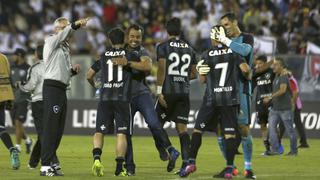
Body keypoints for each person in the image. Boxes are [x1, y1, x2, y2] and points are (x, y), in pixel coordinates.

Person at [181, 25, 251, 179]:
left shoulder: (206, 55)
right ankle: (229, 168)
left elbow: (202, 79)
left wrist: (204, 73)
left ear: (214, 37)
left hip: (211, 99)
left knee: (198, 130)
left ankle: (191, 162)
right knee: (230, 135)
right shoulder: (234, 52)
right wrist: (246, 76)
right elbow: (246, 70)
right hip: (229, 99)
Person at [123, 24, 179, 175]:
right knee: (126, 132)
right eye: (132, 36)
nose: (135, 39)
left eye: (138, 37)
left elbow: (147, 65)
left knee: (154, 123)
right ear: (127, 37)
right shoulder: (119, 51)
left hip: (142, 94)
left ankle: (171, 150)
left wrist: (127, 63)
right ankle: (130, 167)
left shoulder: (142, 51)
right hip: (125, 97)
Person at [40, 17, 89, 176]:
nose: (64, 30)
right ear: (55, 30)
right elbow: (63, 34)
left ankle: (52, 161)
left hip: (61, 89)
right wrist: (75, 25)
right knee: (51, 127)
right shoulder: (51, 41)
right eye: (62, 27)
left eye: (66, 27)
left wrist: (72, 72)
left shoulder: (64, 47)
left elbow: (62, 72)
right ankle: (45, 165)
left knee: (58, 130)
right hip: (52, 88)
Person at [212, 12, 256, 179]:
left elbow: (245, 52)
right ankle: (230, 167)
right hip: (223, 91)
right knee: (219, 130)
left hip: (241, 89)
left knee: (243, 128)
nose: (224, 29)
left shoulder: (247, 38)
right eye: (222, 26)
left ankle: (248, 168)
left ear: (235, 22)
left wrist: (224, 40)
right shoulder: (223, 42)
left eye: (226, 25)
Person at [89, 27, 134, 177]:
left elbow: (89, 75)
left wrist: (96, 86)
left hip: (105, 98)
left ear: (110, 40)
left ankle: (96, 158)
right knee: (121, 133)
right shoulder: (129, 54)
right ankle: (119, 167)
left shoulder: (103, 55)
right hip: (122, 99)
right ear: (125, 39)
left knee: (99, 131)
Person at [155, 17, 197, 175]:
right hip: (183, 93)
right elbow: (194, 73)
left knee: (155, 123)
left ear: (167, 30)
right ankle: (185, 164)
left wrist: (159, 91)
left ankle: (171, 150)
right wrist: (182, 78)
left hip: (168, 92)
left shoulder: (163, 47)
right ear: (180, 30)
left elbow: (161, 69)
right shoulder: (189, 48)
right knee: (183, 130)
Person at [18, 45, 60, 170]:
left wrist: (20, 85)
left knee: (44, 133)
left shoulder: (35, 67)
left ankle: (53, 160)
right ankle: (33, 162)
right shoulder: (55, 66)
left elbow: (30, 86)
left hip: (39, 102)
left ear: (37, 54)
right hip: (53, 101)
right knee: (46, 133)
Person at [263, 58, 298, 156]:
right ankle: (275, 150)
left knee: (290, 130)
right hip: (275, 109)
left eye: (276, 65)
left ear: (282, 66)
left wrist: (270, 97)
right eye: (273, 64)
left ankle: (294, 151)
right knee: (272, 129)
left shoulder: (283, 76)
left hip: (285, 109)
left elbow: (283, 90)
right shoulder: (277, 76)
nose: (274, 66)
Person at [10, 48, 33, 154]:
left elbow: (32, 83)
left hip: (24, 98)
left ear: (19, 55)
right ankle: (28, 140)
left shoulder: (29, 68)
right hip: (13, 99)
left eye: (14, 55)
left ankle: (18, 147)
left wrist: (22, 83)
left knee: (18, 122)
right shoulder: (12, 67)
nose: (13, 57)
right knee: (16, 125)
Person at [279, 69, 309, 148]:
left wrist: (292, 105)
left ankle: (277, 141)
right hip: (292, 105)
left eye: (285, 71)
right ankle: (304, 142)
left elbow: (295, 93)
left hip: (293, 106)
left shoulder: (290, 80)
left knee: (283, 123)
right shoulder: (289, 79)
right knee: (295, 123)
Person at [0, 52, 20, 170]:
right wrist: (10, 97)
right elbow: (9, 76)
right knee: (1, 127)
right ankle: (13, 150)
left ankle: (12, 150)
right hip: (4, 95)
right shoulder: (3, 57)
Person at [253, 55, 275, 155]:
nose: (258, 66)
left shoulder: (272, 71)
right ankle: (267, 148)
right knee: (263, 125)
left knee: (273, 124)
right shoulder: (256, 74)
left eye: (260, 63)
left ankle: (275, 145)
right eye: (257, 64)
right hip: (259, 102)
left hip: (271, 101)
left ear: (265, 63)